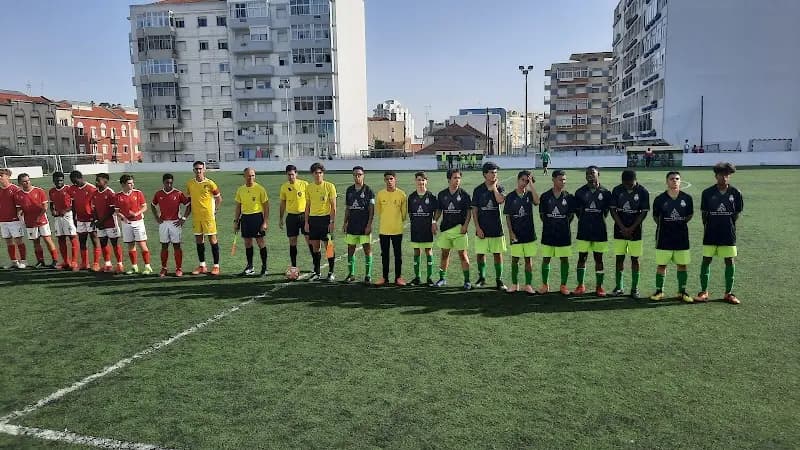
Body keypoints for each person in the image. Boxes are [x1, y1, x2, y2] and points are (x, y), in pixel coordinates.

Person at [695, 162, 743, 305]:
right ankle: (704, 292)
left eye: (727, 175)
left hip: (728, 233)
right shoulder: (707, 193)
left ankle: (728, 293)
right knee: (706, 260)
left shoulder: (736, 193)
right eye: (721, 175)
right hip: (710, 232)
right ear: (716, 176)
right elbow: (704, 214)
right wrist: (709, 226)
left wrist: (727, 223)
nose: (724, 178)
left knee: (729, 260)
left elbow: (736, 213)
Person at [650, 171, 693, 302]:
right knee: (662, 265)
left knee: (682, 265)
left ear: (680, 181)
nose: (674, 181)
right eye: (671, 179)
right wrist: (667, 224)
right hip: (664, 237)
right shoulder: (660, 199)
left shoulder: (687, 198)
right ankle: (659, 291)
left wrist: (678, 223)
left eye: (677, 179)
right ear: (667, 181)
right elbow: (655, 216)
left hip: (681, 237)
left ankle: (682, 291)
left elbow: (689, 215)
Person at [609, 170, 650, 299]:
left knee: (635, 259)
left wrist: (631, 228)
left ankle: (634, 288)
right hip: (619, 230)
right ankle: (619, 287)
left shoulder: (643, 192)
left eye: (630, 184)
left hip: (636, 231)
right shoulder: (616, 190)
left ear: (635, 180)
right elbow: (613, 210)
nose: (627, 186)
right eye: (625, 184)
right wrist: (622, 227)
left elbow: (643, 212)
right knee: (619, 258)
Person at [573, 166, 612, 296]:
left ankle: (599, 287)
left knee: (599, 259)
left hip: (600, 230)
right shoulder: (579, 192)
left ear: (598, 174)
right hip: (583, 230)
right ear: (585, 176)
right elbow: (577, 211)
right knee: (581, 258)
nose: (590, 175)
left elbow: (606, 211)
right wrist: (586, 219)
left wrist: (596, 219)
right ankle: (580, 286)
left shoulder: (606, 193)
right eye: (588, 173)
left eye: (593, 173)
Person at [433, 168, 472, 290]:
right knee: (444, 255)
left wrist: (465, 226)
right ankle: (442, 279)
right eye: (455, 178)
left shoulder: (464, 195)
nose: (457, 180)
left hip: (459, 230)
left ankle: (467, 281)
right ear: (449, 179)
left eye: (459, 178)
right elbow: (439, 210)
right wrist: (434, 221)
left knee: (463, 255)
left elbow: (469, 212)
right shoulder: (442, 194)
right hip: (446, 230)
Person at [471, 162, 507, 291]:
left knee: (497, 254)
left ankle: (499, 280)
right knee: (481, 254)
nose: (494, 175)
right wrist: (477, 228)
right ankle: (482, 278)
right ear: (485, 174)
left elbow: (500, 201)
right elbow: (474, 210)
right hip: (482, 229)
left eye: (496, 172)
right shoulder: (478, 190)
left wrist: (495, 188)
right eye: (492, 172)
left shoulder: (500, 188)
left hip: (496, 228)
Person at [503, 170, 540, 294]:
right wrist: (511, 232)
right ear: (518, 180)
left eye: (526, 181)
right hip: (516, 234)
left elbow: (537, 201)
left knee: (528, 260)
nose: (524, 183)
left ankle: (528, 285)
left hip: (529, 233)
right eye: (522, 180)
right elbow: (507, 216)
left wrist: (532, 186)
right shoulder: (510, 196)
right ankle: (514, 284)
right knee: (515, 259)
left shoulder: (529, 195)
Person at [538, 170, 575, 295]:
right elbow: (542, 215)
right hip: (548, 233)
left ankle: (563, 285)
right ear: (553, 180)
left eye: (564, 179)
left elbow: (571, 215)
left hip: (564, 233)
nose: (563, 182)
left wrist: (561, 224)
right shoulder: (545, 196)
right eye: (560, 179)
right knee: (546, 258)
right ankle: (545, 285)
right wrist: (551, 223)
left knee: (564, 259)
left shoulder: (569, 197)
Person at [185, 161, 222, 276]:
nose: (198, 171)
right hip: (196, 217)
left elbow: (219, 199)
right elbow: (189, 200)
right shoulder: (190, 184)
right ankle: (202, 266)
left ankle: (216, 266)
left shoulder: (210, 184)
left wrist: (214, 211)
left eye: (200, 168)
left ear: (204, 169)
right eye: (196, 169)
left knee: (212, 240)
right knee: (199, 240)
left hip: (208, 217)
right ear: (193, 170)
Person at [14, 173, 59, 268]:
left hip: (42, 220)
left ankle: (55, 260)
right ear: (20, 183)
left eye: (28, 180)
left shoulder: (39, 191)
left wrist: (39, 217)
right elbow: (19, 208)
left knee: (47, 239)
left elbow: (45, 207)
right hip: (29, 222)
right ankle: (40, 261)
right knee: (35, 241)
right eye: (24, 181)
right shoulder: (18, 194)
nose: (27, 182)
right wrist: (20, 214)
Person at [151, 173, 190, 278]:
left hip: (175, 223)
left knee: (177, 245)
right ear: (163, 182)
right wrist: (156, 217)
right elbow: (152, 205)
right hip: (163, 223)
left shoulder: (178, 193)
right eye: (167, 183)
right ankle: (164, 268)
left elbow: (188, 205)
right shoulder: (158, 194)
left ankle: (179, 269)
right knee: (164, 246)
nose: (169, 185)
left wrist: (183, 218)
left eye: (171, 183)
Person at [304, 162, 337, 282]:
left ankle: (331, 272)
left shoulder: (329, 186)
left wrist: (332, 222)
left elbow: (333, 207)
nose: (318, 175)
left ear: (323, 173)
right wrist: (306, 222)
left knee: (328, 247)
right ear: (312, 174)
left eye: (320, 173)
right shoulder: (309, 187)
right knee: (315, 247)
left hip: (325, 219)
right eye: (316, 173)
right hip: (313, 220)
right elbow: (307, 206)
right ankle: (317, 272)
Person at [233, 168, 269, 277]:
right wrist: (236, 221)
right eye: (249, 176)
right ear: (244, 176)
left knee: (260, 242)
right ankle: (250, 267)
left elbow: (266, 207)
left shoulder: (260, 189)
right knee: (247, 243)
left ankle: (264, 267)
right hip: (245, 218)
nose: (251, 178)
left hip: (257, 218)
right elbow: (238, 206)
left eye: (253, 175)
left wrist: (265, 222)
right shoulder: (240, 190)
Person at [342, 166, 375, 284]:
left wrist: (369, 225)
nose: (357, 177)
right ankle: (351, 274)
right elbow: (348, 208)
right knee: (350, 249)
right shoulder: (349, 190)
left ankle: (368, 275)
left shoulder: (369, 190)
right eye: (355, 175)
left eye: (359, 174)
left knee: (367, 249)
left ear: (363, 175)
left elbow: (371, 210)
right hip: (352, 225)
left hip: (364, 226)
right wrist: (345, 222)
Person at [279, 165, 313, 276]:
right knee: (292, 242)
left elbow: (310, 201)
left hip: (304, 216)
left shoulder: (304, 184)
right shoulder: (284, 187)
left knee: (309, 240)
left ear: (296, 174)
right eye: (288, 175)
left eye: (292, 174)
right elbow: (283, 203)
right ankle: (293, 267)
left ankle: (315, 264)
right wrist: (281, 218)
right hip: (291, 217)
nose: (290, 177)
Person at [374, 170, 407, 286]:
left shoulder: (402, 195)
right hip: (384, 230)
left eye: (391, 179)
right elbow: (378, 211)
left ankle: (398, 278)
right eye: (387, 179)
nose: (389, 181)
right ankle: (385, 278)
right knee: (385, 255)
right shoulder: (380, 194)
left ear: (395, 179)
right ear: (384, 180)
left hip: (397, 230)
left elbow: (404, 215)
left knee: (398, 255)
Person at [115, 174, 152, 275]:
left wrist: (136, 213)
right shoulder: (118, 196)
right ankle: (134, 266)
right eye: (129, 183)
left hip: (138, 222)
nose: (132, 185)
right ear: (123, 184)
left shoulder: (138, 193)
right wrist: (123, 217)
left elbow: (144, 207)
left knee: (142, 244)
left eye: (132, 183)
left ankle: (148, 266)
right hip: (126, 224)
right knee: (130, 245)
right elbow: (117, 211)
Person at [407, 171, 438, 286]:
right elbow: (410, 213)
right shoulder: (411, 197)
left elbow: (436, 211)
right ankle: (417, 277)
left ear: (426, 181)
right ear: (415, 181)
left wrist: (433, 222)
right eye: (419, 180)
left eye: (423, 180)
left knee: (428, 251)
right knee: (416, 251)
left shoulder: (431, 197)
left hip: (427, 229)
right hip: (416, 228)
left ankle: (429, 278)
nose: (421, 182)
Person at [70, 170, 102, 271]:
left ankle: (96, 264)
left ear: (81, 178)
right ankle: (85, 263)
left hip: (90, 219)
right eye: (72, 182)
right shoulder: (73, 189)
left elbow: (96, 205)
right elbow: (74, 205)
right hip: (80, 219)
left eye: (76, 181)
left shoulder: (91, 188)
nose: (74, 184)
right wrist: (74, 217)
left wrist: (95, 219)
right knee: (82, 240)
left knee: (94, 239)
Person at [92, 173, 124, 273]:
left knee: (115, 243)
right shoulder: (95, 193)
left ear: (105, 181)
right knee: (103, 243)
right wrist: (96, 221)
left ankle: (119, 265)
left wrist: (101, 222)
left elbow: (111, 210)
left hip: (111, 224)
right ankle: (108, 264)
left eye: (98, 180)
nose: (96, 182)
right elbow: (95, 209)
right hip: (100, 224)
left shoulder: (110, 193)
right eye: (96, 180)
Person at [49, 171, 79, 270]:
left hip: (68, 216)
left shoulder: (68, 189)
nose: (59, 182)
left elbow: (74, 204)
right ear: (53, 181)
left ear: (63, 180)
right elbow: (51, 204)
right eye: (57, 180)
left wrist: (64, 211)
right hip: (58, 217)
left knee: (72, 237)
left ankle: (74, 262)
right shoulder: (51, 191)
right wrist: (53, 211)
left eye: (61, 180)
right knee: (61, 238)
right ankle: (66, 262)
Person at [0, 168, 27, 269]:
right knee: (8, 241)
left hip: (14, 220)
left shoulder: (15, 189)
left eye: (1, 176)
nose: (0, 178)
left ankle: (23, 261)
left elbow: (20, 206)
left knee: (18, 240)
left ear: (8, 177)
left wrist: (20, 217)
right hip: (3, 220)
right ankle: (14, 261)